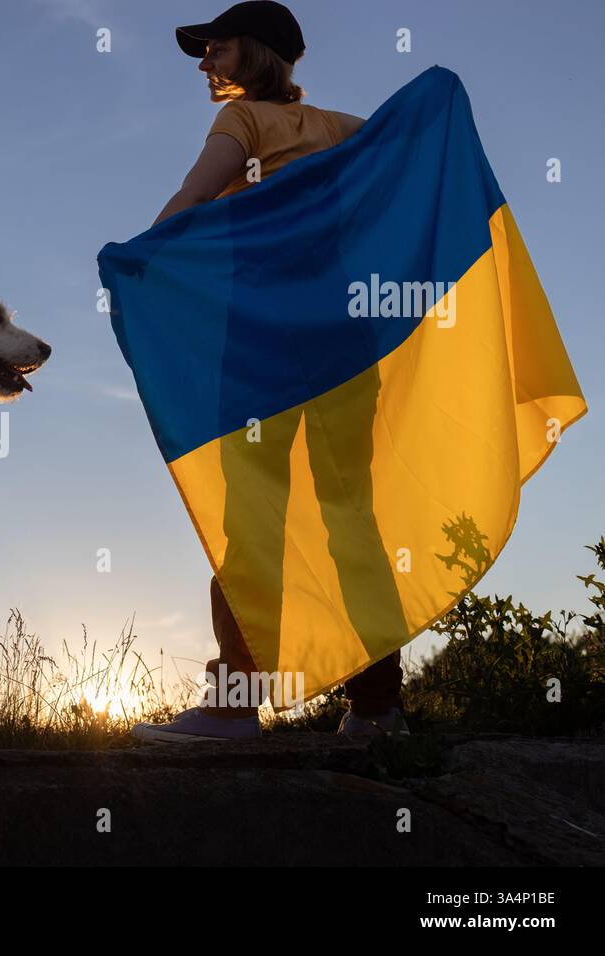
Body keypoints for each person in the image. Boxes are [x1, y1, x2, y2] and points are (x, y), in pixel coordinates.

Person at [130, 1, 410, 743]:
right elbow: (403, 169)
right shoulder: (346, 131)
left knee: (250, 521)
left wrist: (139, 258)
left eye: (215, 48)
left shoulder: (241, 123)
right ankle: (379, 710)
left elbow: (193, 198)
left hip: (263, 345)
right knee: (352, 520)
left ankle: (233, 706)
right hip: (346, 347)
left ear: (251, 52)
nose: (204, 63)